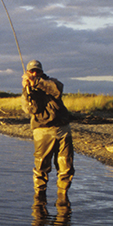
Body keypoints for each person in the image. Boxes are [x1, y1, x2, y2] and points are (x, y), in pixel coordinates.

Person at [21, 59, 73, 198]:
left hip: (63, 129)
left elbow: (58, 90)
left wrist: (36, 82)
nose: (34, 74)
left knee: (66, 166)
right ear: (28, 72)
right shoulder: (27, 89)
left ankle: (63, 197)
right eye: (32, 72)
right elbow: (31, 109)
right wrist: (27, 91)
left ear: (42, 72)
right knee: (41, 168)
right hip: (42, 131)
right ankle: (39, 198)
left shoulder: (52, 83)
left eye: (37, 71)